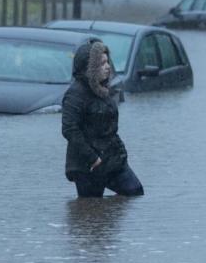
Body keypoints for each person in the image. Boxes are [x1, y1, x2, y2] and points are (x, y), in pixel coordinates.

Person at [61, 39, 144, 198]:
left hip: (113, 161)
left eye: (107, 62)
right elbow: (70, 130)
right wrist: (93, 158)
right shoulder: (75, 95)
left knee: (135, 192)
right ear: (90, 68)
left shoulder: (103, 90)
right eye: (102, 63)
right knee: (90, 211)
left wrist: (121, 153)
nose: (107, 66)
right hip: (88, 165)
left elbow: (110, 128)